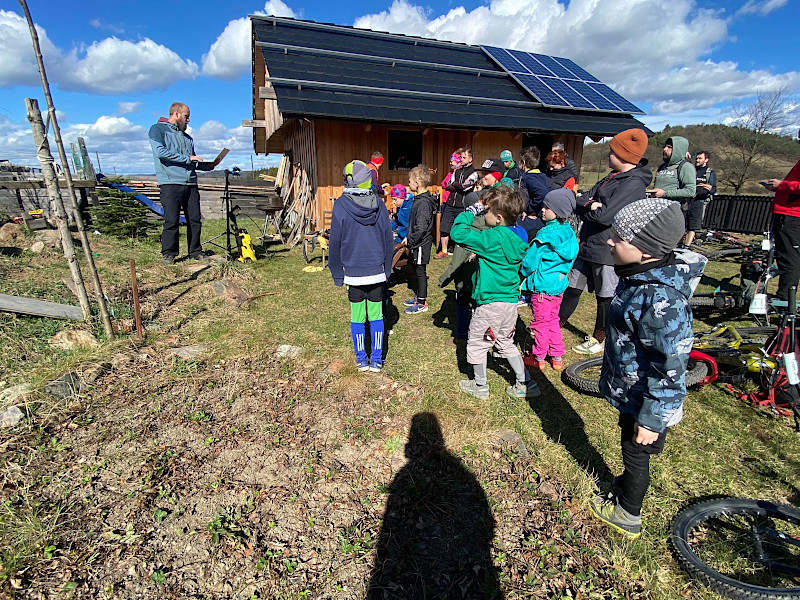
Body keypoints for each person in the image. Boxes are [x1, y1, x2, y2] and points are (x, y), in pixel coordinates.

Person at [590, 198, 706, 539]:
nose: (610, 241)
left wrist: (652, 419)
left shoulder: (660, 300)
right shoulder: (638, 276)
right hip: (635, 393)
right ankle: (627, 484)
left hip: (648, 402)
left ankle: (628, 512)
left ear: (645, 250)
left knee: (636, 453)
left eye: (619, 238)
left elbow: (671, 366)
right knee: (631, 443)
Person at [559, 128, 651, 355]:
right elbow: (579, 200)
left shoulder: (633, 183)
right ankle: (555, 325)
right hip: (589, 243)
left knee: (605, 295)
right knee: (573, 287)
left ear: (623, 155)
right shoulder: (611, 177)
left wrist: (590, 208)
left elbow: (605, 216)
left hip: (608, 248)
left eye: (612, 151)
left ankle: (599, 338)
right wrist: (591, 204)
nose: (608, 154)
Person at [450, 185, 540, 400]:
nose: (484, 214)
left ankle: (479, 385)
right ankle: (525, 383)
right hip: (509, 303)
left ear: (498, 217)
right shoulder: (518, 237)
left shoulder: (490, 239)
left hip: (490, 303)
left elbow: (457, 233)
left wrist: (472, 210)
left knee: (478, 343)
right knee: (505, 342)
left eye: (487, 211)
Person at [328, 160, 395, 373]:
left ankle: (361, 360)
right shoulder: (379, 204)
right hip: (376, 271)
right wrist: (387, 269)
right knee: (376, 316)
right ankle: (376, 360)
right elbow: (388, 239)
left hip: (353, 273)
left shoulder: (340, 205)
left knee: (357, 317)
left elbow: (335, 241)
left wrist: (337, 272)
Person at [520, 188, 579, 371]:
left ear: (558, 211)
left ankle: (538, 356)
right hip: (559, 284)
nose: (542, 210)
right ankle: (557, 355)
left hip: (542, 286)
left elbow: (530, 262)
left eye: (547, 207)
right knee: (553, 319)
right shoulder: (569, 232)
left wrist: (521, 273)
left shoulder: (545, 236)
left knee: (540, 322)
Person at [148, 102, 206, 264]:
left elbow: (191, 161)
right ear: (177, 114)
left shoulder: (187, 138)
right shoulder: (157, 130)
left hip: (190, 184)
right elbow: (160, 152)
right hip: (170, 183)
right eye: (186, 116)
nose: (188, 120)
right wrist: (188, 159)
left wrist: (206, 166)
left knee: (195, 220)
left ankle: (195, 251)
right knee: (171, 220)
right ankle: (169, 254)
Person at [403, 166, 438, 315]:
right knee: (417, 270)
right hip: (417, 242)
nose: (408, 183)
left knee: (420, 271)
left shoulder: (423, 203)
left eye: (410, 181)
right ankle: (419, 296)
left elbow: (422, 227)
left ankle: (422, 302)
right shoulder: (418, 199)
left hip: (421, 243)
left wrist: (411, 239)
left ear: (417, 183)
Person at [766, 157, 800, 300]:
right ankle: (785, 298)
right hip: (786, 212)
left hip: (791, 215)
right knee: (785, 256)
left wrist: (782, 185)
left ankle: (785, 300)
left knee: (789, 258)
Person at [440, 147, 478, 258]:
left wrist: (456, 185)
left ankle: (457, 251)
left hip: (462, 205)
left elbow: (465, 187)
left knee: (460, 229)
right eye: (461, 157)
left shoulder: (474, 173)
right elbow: (448, 185)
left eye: (464, 157)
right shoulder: (456, 170)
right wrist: (458, 185)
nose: (461, 159)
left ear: (470, 159)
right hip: (450, 203)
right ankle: (444, 251)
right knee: (444, 227)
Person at [650, 137, 696, 207]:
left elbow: (690, 191)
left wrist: (664, 193)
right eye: (665, 146)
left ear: (678, 150)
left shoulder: (686, 167)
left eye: (669, 147)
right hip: (656, 206)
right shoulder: (662, 166)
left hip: (672, 209)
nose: (665, 149)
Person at [518, 146, 550, 240]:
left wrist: (529, 210)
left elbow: (542, 193)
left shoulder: (529, 178)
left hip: (532, 218)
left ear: (524, 163)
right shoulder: (542, 176)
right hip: (540, 217)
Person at [685, 150, 716, 246]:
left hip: (699, 201)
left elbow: (714, 189)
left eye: (700, 158)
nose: (697, 160)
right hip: (687, 200)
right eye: (696, 158)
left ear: (706, 160)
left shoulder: (709, 173)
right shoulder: (691, 170)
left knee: (693, 226)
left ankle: (687, 246)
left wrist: (710, 189)